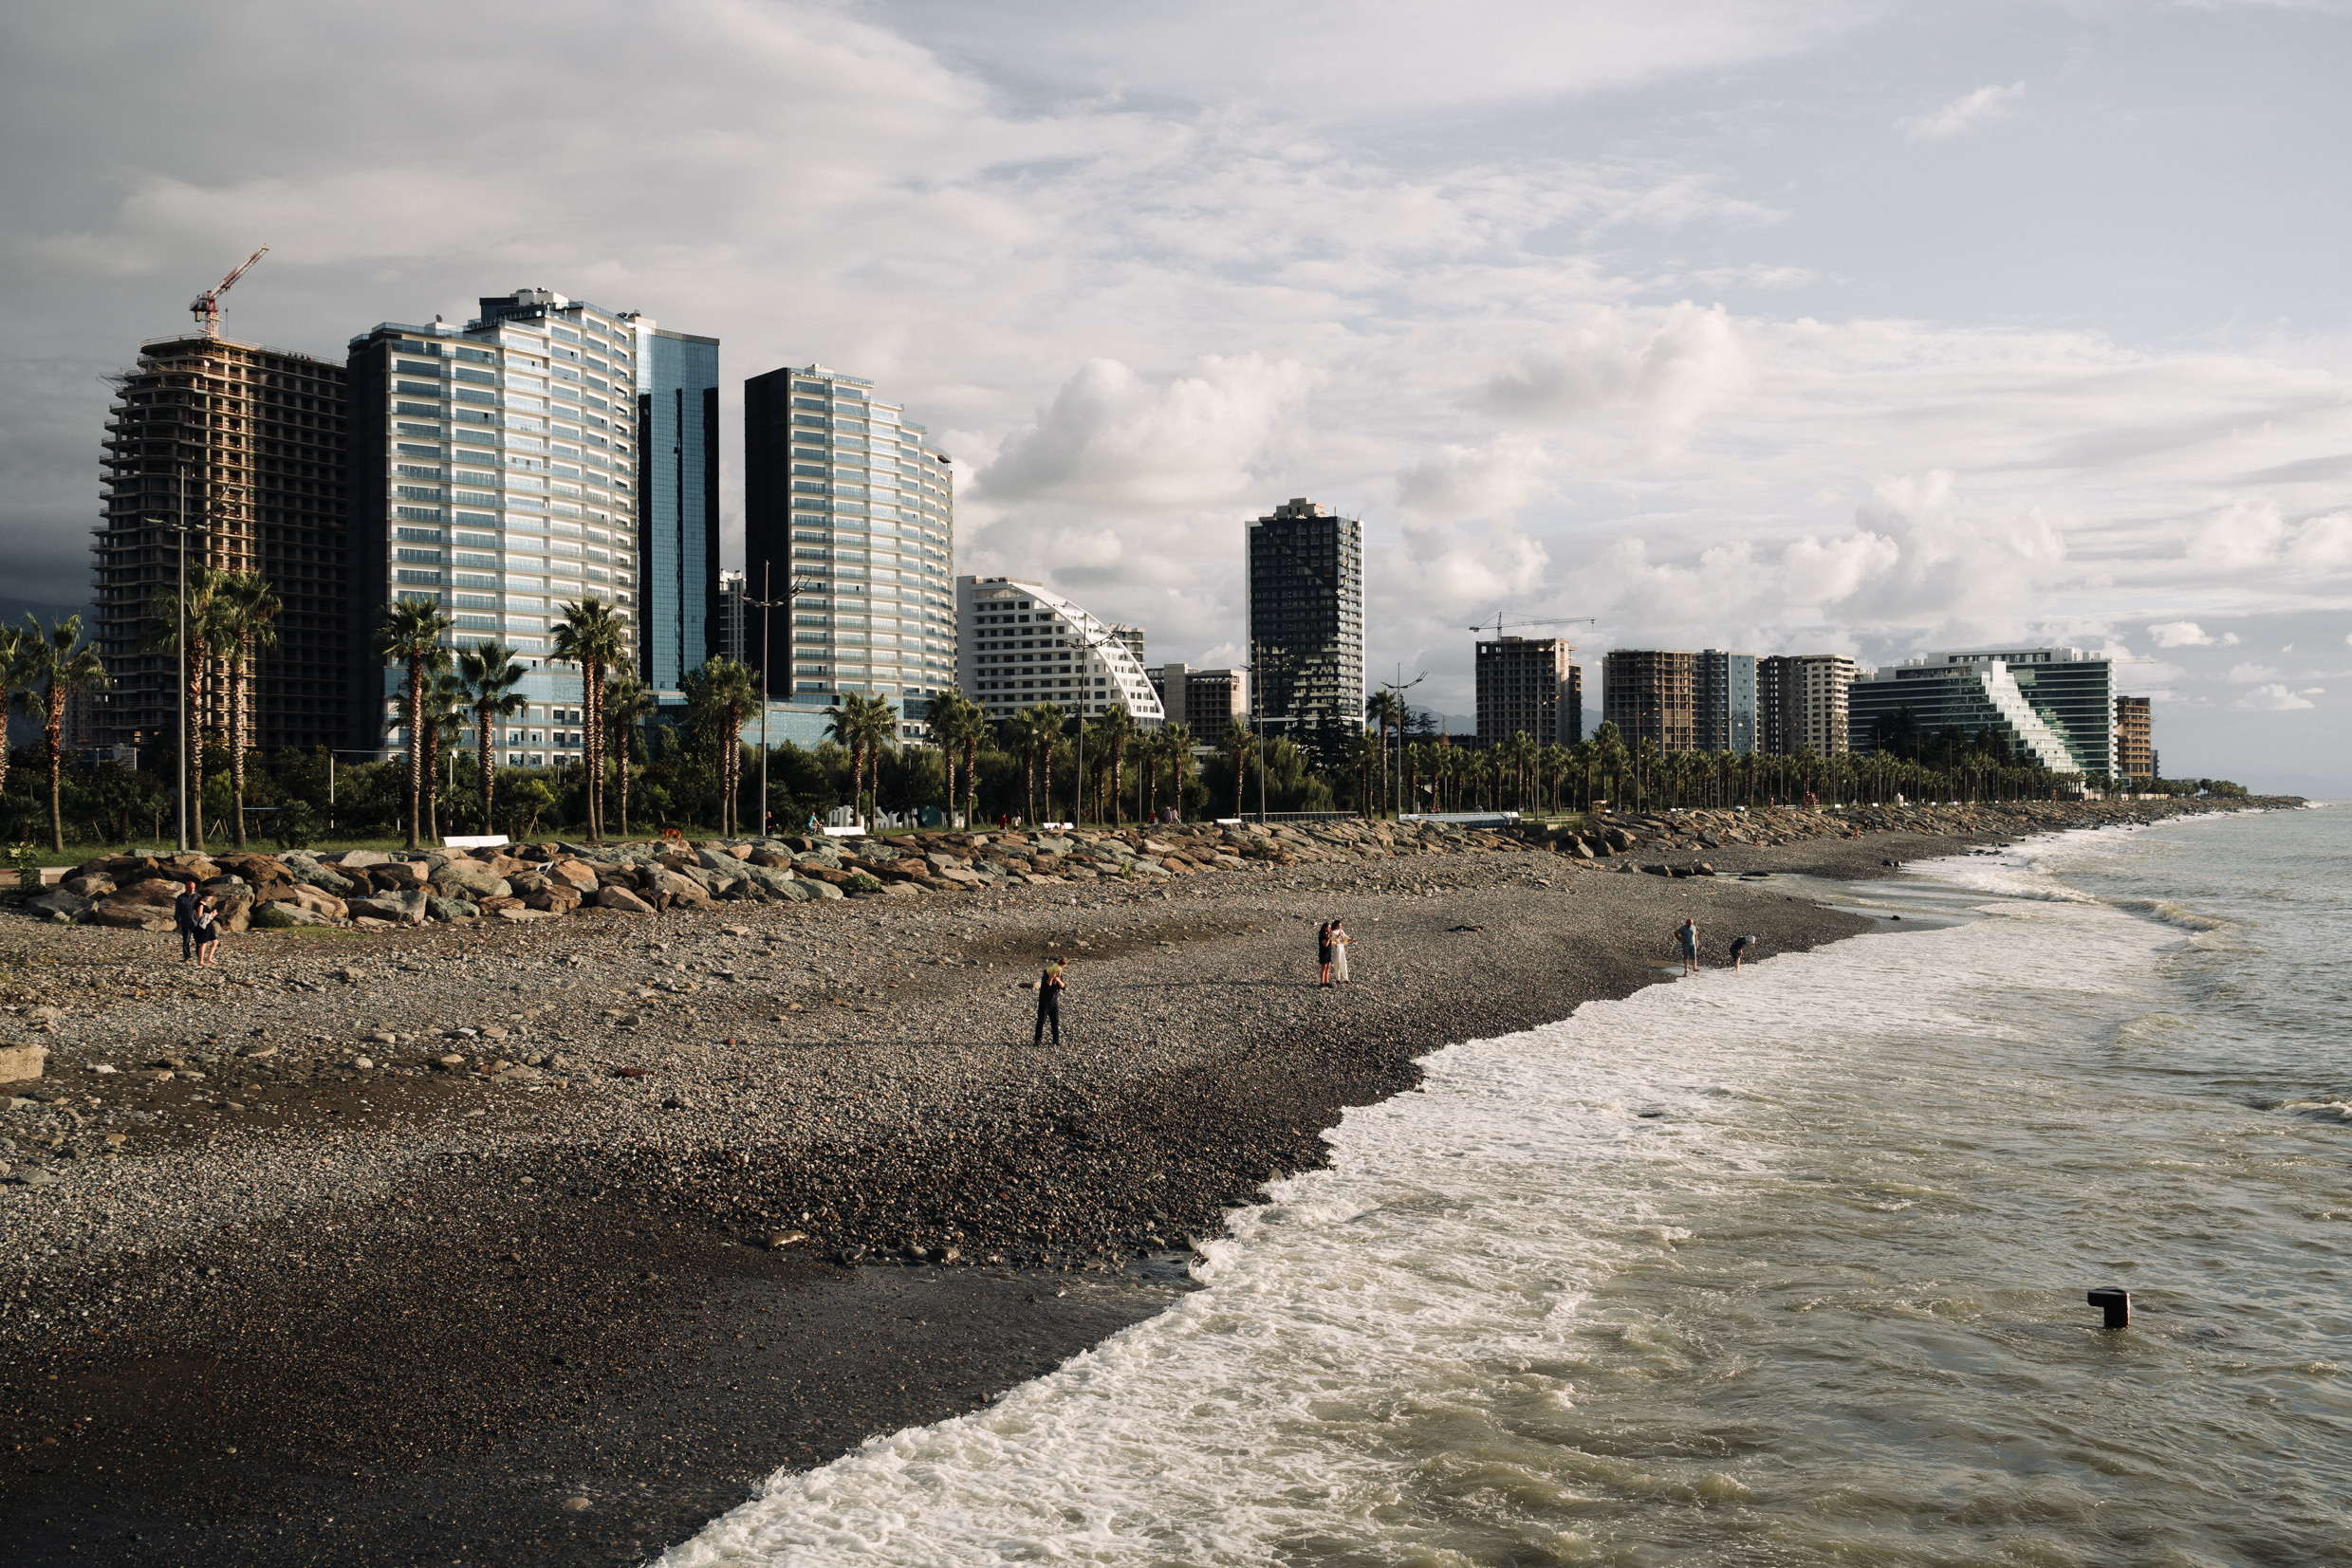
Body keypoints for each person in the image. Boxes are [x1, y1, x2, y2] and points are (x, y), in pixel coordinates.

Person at [1033, 955, 1066, 1045]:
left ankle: (1056, 1040)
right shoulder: (1046, 975)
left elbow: (1064, 987)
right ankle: (1037, 1039)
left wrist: (1058, 980)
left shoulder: (1059, 975)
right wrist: (1051, 978)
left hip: (1054, 1002)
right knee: (1041, 1021)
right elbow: (1046, 989)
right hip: (1045, 1002)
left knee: (1055, 1022)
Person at [174, 877, 202, 964]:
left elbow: (203, 910)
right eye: (190, 887)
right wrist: (178, 922)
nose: (192, 889)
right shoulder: (180, 898)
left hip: (196, 923)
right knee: (186, 941)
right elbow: (177, 911)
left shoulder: (198, 897)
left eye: (193, 888)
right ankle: (187, 956)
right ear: (186, 887)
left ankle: (199, 956)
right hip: (185, 922)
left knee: (199, 941)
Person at [192, 895, 223, 968]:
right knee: (203, 944)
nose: (211, 898)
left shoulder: (205, 904)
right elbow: (199, 917)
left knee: (215, 942)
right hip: (204, 927)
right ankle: (200, 961)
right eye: (210, 896)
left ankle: (209, 958)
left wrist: (212, 915)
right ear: (205, 896)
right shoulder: (200, 904)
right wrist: (211, 915)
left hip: (209, 926)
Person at [1329, 917, 1352, 986]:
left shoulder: (1341, 930)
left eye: (1341, 925)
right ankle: (1338, 978)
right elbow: (1333, 941)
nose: (1340, 926)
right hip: (1337, 948)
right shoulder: (1333, 932)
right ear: (1336, 926)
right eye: (1339, 925)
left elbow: (1345, 937)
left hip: (1342, 947)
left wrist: (1351, 940)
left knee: (1344, 962)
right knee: (1337, 963)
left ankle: (1346, 978)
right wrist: (1338, 936)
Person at [1317, 920, 1335, 987]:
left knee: (1328, 968)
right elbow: (1326, 944)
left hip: (1328, 953)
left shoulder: (1327, 934)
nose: (1330, 929)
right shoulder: (1322, 935)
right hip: (1323, 953)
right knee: (1323, 968)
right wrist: (1330, 937)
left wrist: (1330, 936)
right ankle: (1322, 982)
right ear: (1325, 928)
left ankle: (1326, 981)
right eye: (1329, 927)